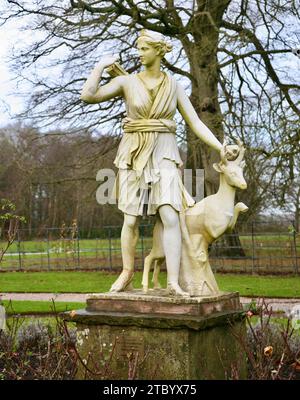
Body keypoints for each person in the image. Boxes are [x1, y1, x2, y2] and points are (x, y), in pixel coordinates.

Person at [81, 30, 226, 296]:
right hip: (134, 153)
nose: (139, 53)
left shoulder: (174, 86)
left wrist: (220, 146)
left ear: (158, 50)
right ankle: (126, 273)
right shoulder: (126, 82)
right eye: (138, 48)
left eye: (144, 48)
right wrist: (100, 66)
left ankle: (172, 281)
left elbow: (195, 123)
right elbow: (88, 95)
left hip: (165, 153)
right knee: (131, 219)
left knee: (170, 215)